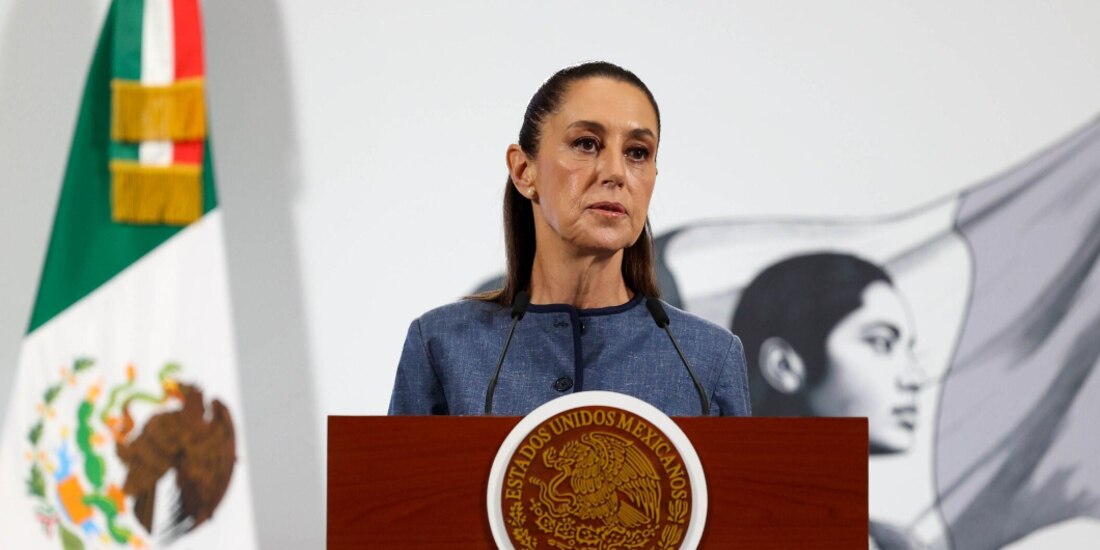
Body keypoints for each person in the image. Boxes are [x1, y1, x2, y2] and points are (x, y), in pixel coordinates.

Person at [388, 61, 751, 417]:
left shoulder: (708, 358)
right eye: (586, 144)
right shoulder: (442, 344)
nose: (615, 172)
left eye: (637, 152)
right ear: (523, 170)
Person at [731, 252, 926, 549]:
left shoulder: (899, 544)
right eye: (881, 343)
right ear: (783, 365)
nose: (914, 378)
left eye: (909, 350)